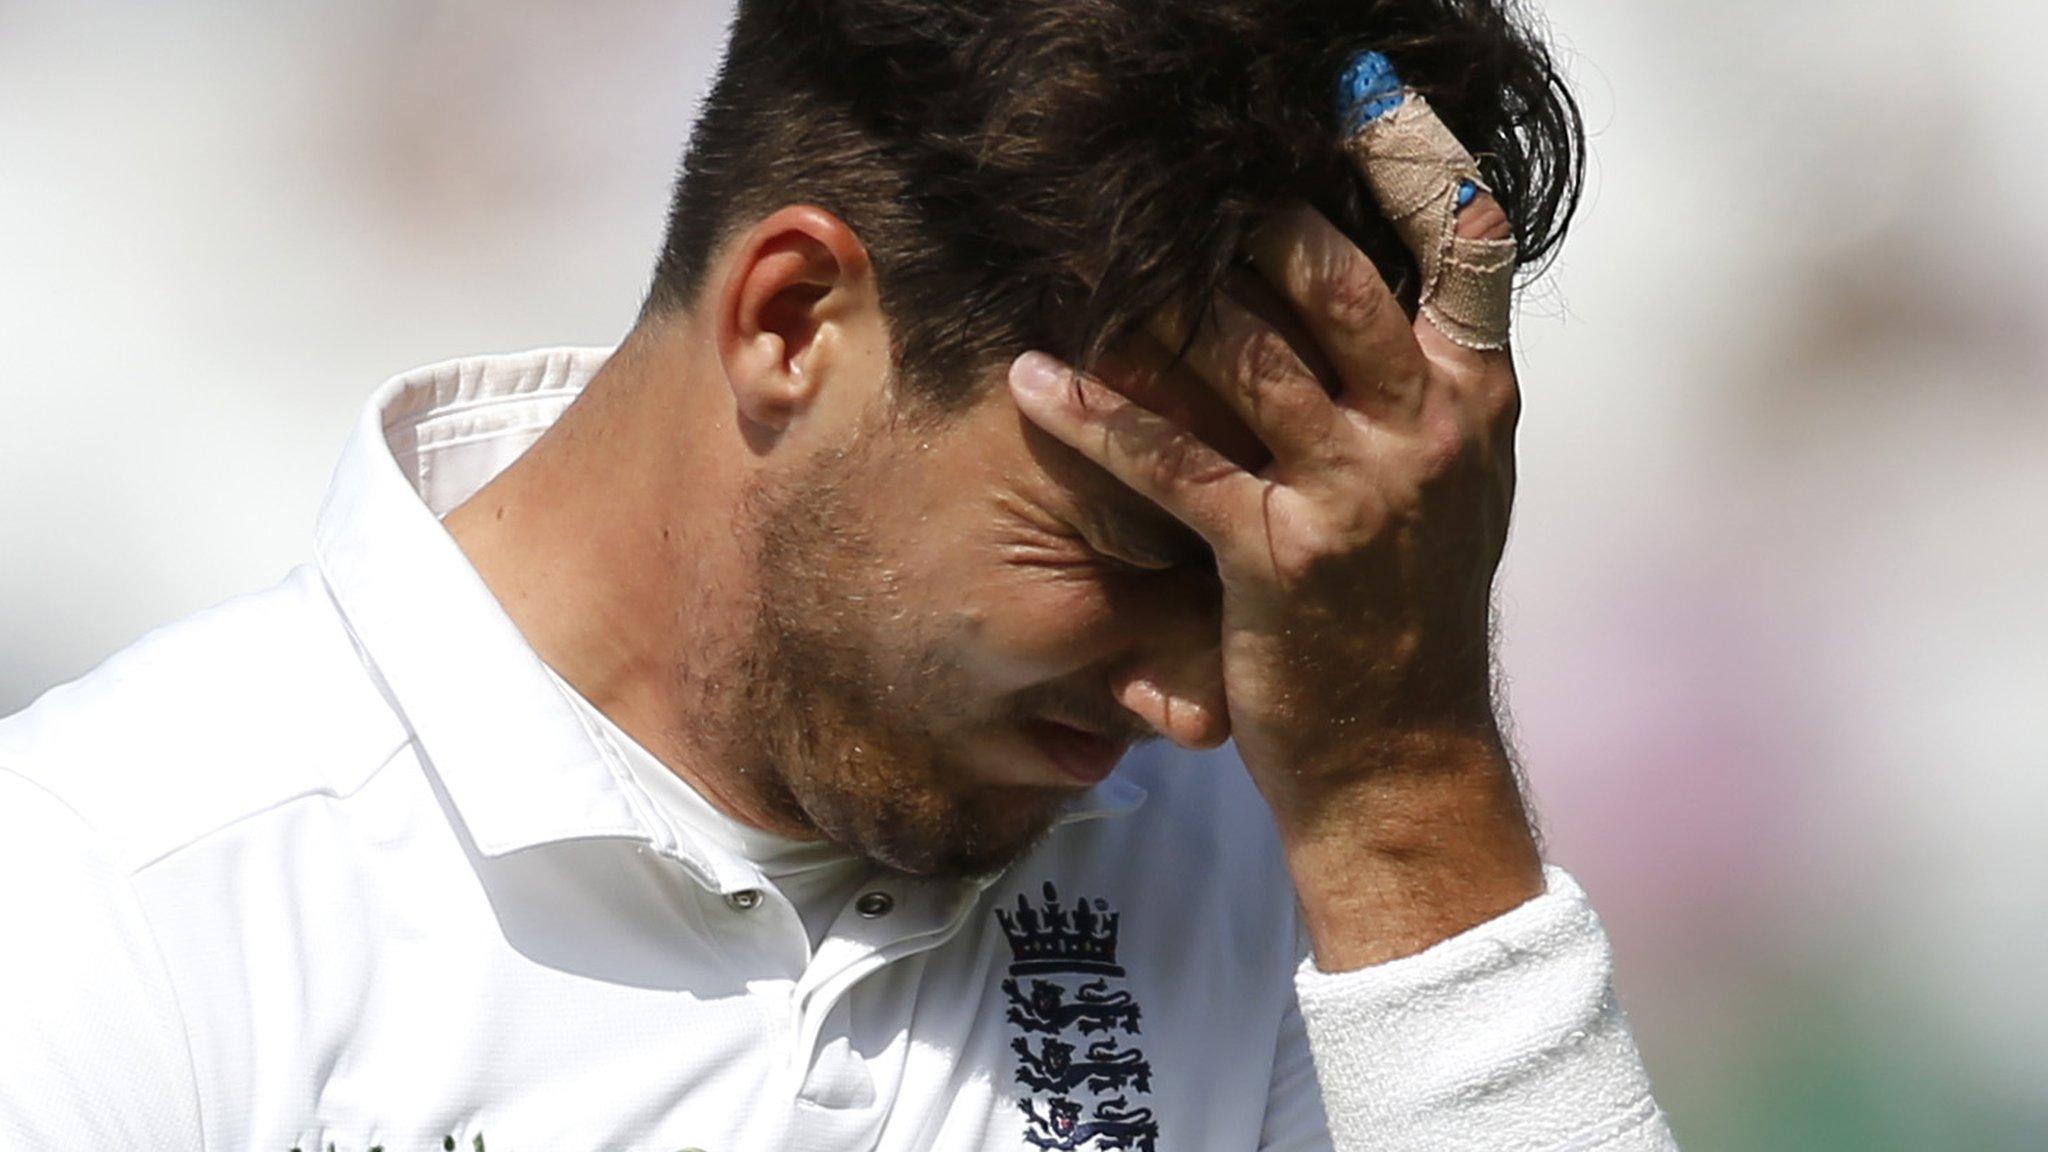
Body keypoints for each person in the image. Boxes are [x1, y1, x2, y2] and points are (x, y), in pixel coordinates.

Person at [0, 1, 1679, 1149]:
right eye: (1127, 546)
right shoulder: (110, 904)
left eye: (1263, 584)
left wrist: (1404, 787)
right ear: (792, 322)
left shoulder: (1338, 914)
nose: (1198, 705)